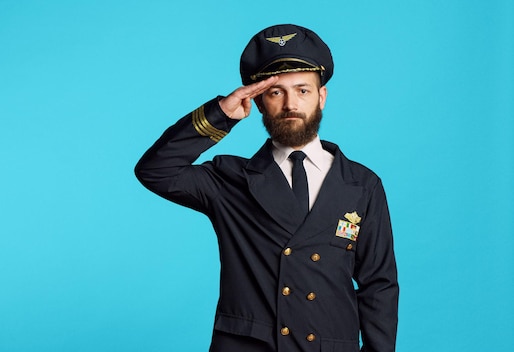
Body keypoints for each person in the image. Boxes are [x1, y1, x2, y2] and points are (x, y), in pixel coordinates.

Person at [135, 24, 398, 352]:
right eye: (276, 92)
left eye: (303, 90)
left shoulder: (362, 184)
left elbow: (379, 285)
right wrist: (221, 115)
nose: (291, 104)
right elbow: (155, 170)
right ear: (258, 102)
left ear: (322, 97)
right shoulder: (228, 180)